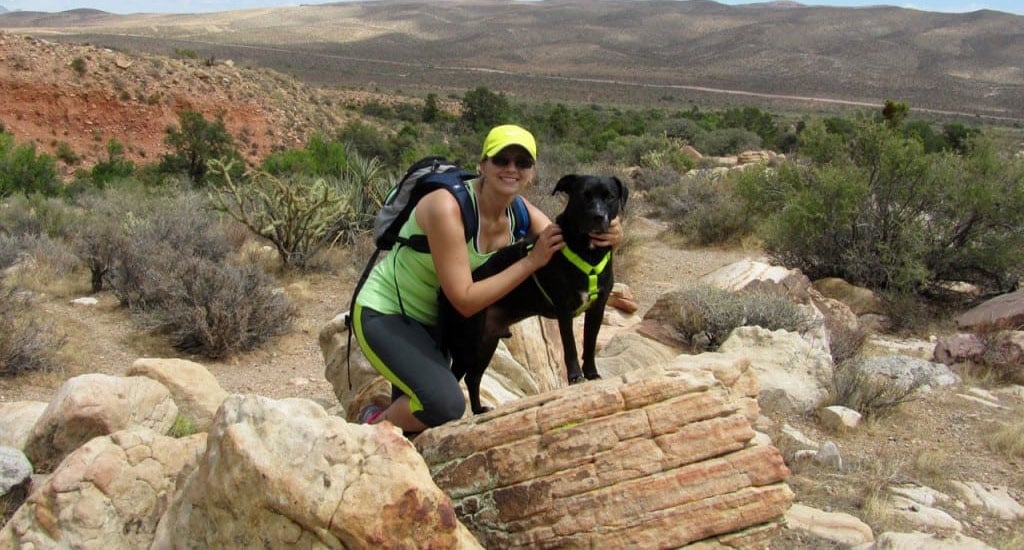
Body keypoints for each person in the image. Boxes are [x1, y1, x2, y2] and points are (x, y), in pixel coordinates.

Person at [351, 124, 622, 435]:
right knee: (444, 406)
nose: (511, 169)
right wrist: (531, 262)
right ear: (482, 164)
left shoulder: (520, 211)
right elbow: (465, 301)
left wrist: (613, 231)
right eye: (501, 160)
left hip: (436, 323)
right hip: (387, 314)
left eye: (522, 163)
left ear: (531, 172)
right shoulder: (447, 207)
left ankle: (392, 422)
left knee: (419, 420)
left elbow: (567, 244)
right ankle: (371, 423)